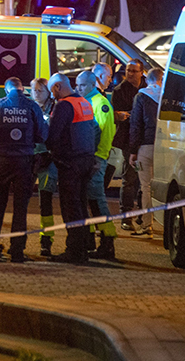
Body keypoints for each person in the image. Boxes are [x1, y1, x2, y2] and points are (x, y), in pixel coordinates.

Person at [0, 77, 48, 263]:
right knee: (20, 209)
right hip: (24, 163)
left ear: (7, 89)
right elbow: (42, 136)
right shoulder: (32, 106)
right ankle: (17, 251)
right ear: (22, 88)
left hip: (1, 162)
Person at [46, 73, 100, 264]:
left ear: (57, 87)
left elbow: (53, 135)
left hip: (70, 163)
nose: (52, 95)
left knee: (71, 208)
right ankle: (84, 247)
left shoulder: (64, 105)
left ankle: (74, 251)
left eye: (52, 91)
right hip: (86, 159)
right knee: (81, 205)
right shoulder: (84, 102)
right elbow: (94, 130)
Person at [75, 71, 118, 259]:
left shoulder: (100, 104)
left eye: (82, 85)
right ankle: (90, 240)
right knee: (87, 200)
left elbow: (104, 133)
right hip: (89, 159)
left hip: (95, 160)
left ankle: (108, 242)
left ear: (93, 84)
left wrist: (98, 158)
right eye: (77, 85)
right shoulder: (88, 102)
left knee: (97, 201)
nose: (79, 89)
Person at [128, 68, 164, 238]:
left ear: (147, 80)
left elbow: (135, 126)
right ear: (161, 80)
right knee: (162, 186)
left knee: (146, 186)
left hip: (146, 146)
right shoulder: (167, 97)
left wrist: (133, 151)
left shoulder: (141, 96)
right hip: (165, 147)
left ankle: (147, 224)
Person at [111, 59, 146, 231]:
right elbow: (118, 114)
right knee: (130, 178)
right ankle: (125, 216)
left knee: (145, 180)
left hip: (146, 139)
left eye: (133, 71)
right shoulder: (119, 91)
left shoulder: (148, 88)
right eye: (128, 70)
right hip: (128, 139)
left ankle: (143, 216)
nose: (130, 74)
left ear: (142, 72)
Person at [29, 78, 57, 257]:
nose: (36, 93)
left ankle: (46, 240)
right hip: (31, 158)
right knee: (22, 200)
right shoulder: (29, 107)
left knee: (45, 201)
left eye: (40, 90)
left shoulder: (55, 108)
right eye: (34, 90)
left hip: (48, 158)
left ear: (48, 92)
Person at [93, 62, 119, 190]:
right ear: (101, 75)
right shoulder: (97, 96)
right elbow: (100, 124)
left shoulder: (99, 94)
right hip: (98, 151)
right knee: (96, 193)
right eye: (109, 76)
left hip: (100, 149)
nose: (111, 80)